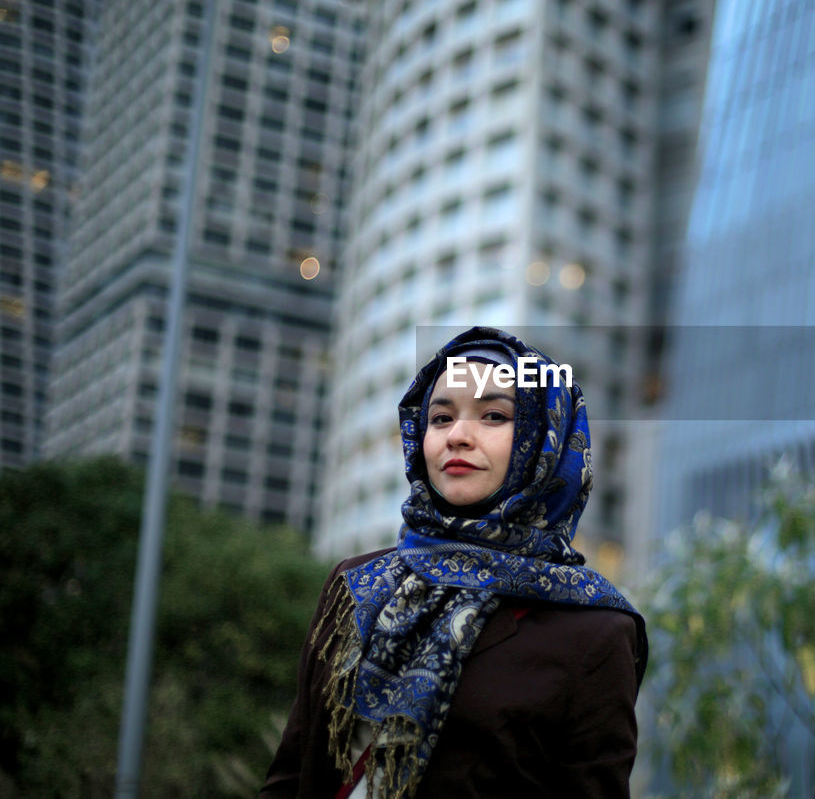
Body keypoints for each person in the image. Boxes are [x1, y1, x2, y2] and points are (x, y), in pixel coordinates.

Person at [259, 326, 647, 799]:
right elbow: (291, 774)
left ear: (545, 441)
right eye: (440, 418)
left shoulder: (595, 630)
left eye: (493, 415)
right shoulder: (355, 584)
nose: (458, 436)